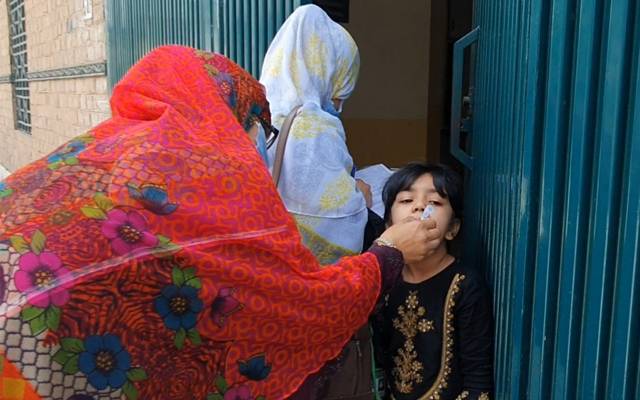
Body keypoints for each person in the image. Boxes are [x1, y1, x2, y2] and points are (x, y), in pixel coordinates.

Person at [0, 46, 439, 400]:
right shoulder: (218, 188)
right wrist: (388, 253)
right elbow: (303, 306)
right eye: (259, 127)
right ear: (234, 118)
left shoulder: (97, 154)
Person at [259, 4, 372, 265]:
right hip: (299, 276)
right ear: (327, 70)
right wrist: (361, 200)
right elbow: (331, 221)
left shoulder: (258, 116)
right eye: (342, 85)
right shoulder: (313, 127)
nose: (340, 101)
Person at [372, 163, 494, 400]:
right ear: (388, 227)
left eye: (435, 202)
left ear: (452, 228)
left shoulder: (464, 285)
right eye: (407, 200)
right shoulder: (382, 283)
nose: (420, 206)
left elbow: (478, 379)